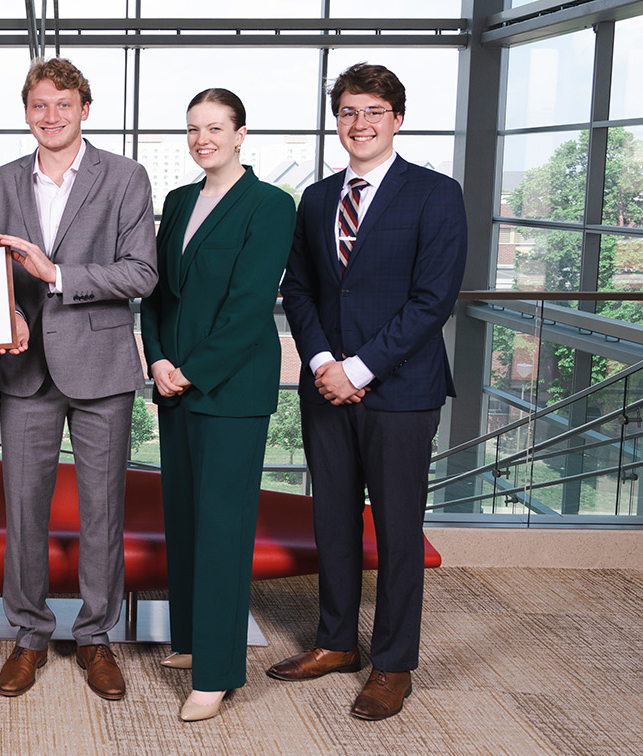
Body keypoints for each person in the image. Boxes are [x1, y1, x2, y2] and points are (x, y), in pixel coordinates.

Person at [268, 62, 467, 721]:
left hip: (402, 393)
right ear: (338, 121)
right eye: (349, 112)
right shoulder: (320, 198)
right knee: (333, 521)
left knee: (399, 531)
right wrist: (325, 359)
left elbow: (433, 300)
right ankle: (335, 643)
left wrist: (360, 369)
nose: (360, 124)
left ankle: (392, 664)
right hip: (325, 386)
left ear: (397, 120)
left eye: (373, 112)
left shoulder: (435, 195)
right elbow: (299, 288)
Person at [0, 58, 158, 701]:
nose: (50, 116)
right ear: (26, 113)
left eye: (63, 104)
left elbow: (141, 273)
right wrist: (7, 319)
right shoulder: (1, 182)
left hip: (101, 366)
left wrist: (58, 275)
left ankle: (95, 637)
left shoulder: (126, 178)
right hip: (25, 365)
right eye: (38, 105)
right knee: (23, 511)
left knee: (102, 510)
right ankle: (29, 635)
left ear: (86, 108)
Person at [138, 88, 296, 721]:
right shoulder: (178, 202)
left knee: (223, 530)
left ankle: (219, 670)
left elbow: (250, 306)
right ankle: (193, 641)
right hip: (174, 383)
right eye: (194, 129)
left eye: (215, 128)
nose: (203, 139)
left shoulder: (270, 205)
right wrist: (157, 360)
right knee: (184, 519)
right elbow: (156, 293)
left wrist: (192, 371)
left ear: (240, 134)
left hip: (229, 391)